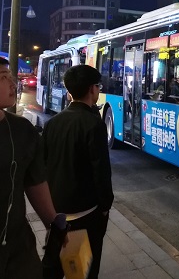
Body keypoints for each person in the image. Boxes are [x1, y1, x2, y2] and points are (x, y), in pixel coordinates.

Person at [41, 65, 114, 279]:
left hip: (57, 214)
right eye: (98, 86)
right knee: (84, 270)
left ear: (69, 91)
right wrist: (104, 207)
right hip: (86, 214)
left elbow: (43, 166)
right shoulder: (94, 124)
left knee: (54, 267)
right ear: (92, 89)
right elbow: (101, 171)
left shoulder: (53, 123)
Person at [0, 58, 67, 279]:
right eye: (3, 78)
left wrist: (54, 224)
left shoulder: (22, 130)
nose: (12, 84)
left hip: (19, 251)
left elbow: (35, 181)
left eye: (11, 77)